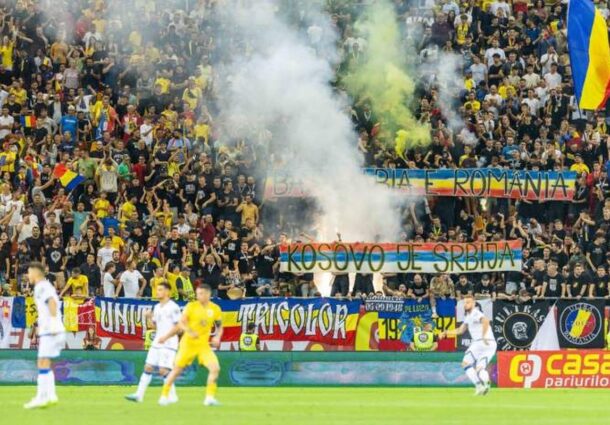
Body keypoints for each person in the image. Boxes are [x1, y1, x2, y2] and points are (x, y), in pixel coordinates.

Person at [157, 284, 222, 406]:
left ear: (208, 294)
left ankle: (209, 398)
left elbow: (219, 326)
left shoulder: (215, 309)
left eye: (201, 293)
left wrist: (217, 336)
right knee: (176, 370)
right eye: (197, 294)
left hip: (203, 345)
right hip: (188, 344)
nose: (199, 296)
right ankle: (164, 396)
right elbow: (181, 323)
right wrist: (189, 331)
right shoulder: (191, 306)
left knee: (215, 368)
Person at [125, 282, 181, 403]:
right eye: (157, 289)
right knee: (148, 367)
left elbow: (178, 327)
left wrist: (166, 337)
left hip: (169, 343)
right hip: (157, 342)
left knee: (163, 370)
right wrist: (149, 317)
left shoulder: (173, 307)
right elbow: (155, 326)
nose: (157, 292)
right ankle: (139, 395)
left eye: (160, 289)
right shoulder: (156, 307)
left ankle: (171, 396)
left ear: (167, 292)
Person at [24, 261, 66, 409]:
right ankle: (51, 395)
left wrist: (53, 324)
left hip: (51, 330)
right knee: (45, 362)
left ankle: (41, 397)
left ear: (36, 272)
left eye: (29, 272)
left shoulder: (42, 286)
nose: (28, 275)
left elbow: (52, 303)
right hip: (51, 329)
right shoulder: (43, 286)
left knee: (42, 361)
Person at [439, 294, 496, 395]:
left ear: (474, 303)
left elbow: (486, 321)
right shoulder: (469, 316)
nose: (466, 304)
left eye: (468, 302)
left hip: (481, 342)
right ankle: (486, 384)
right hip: (490, 344)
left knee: (466, 363)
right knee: (479, 368)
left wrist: (483, 336)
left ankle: (478, 385)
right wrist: (446, 332)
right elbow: (460, 330)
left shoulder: (475, 313)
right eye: (465, 302)